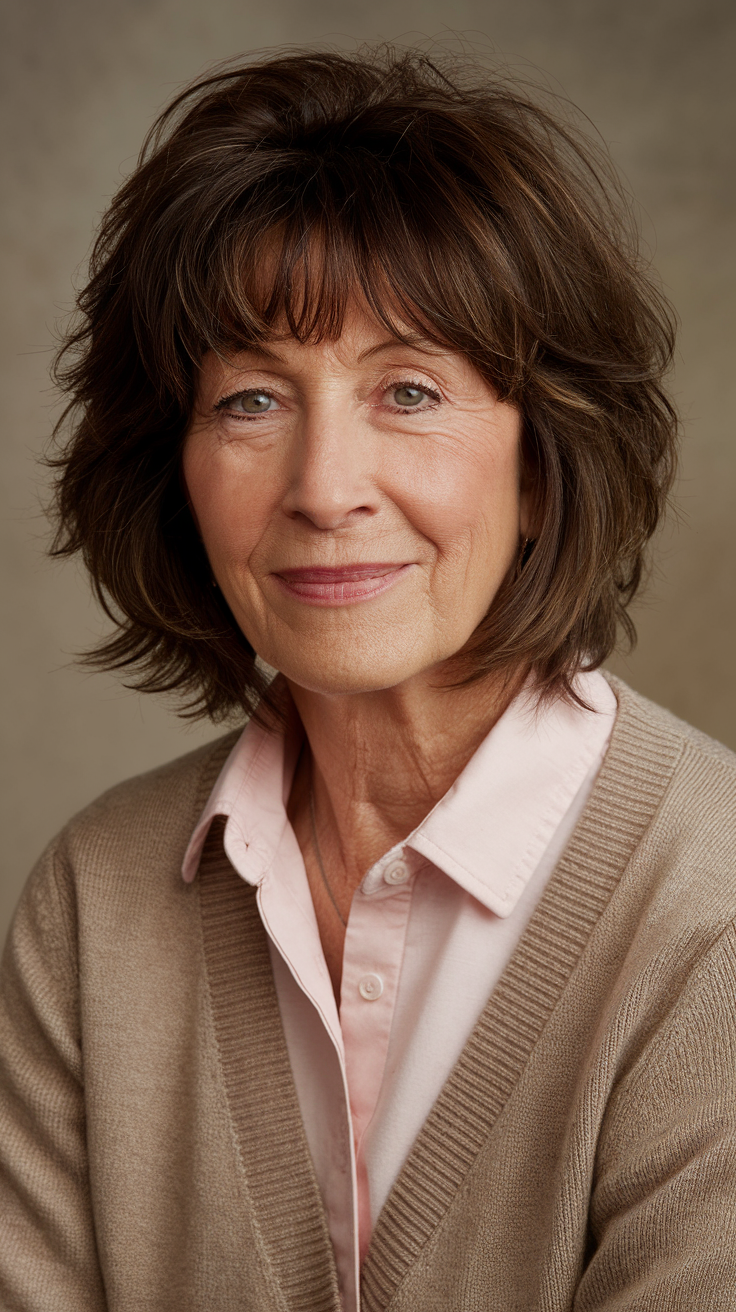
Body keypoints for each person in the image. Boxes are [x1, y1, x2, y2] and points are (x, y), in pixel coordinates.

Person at [1, 45, 735, 1312]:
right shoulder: (92, 904)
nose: (324, 485)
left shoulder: (711, 914)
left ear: (542, 456)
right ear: (170, 465)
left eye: (408, 390)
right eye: (247, 401)